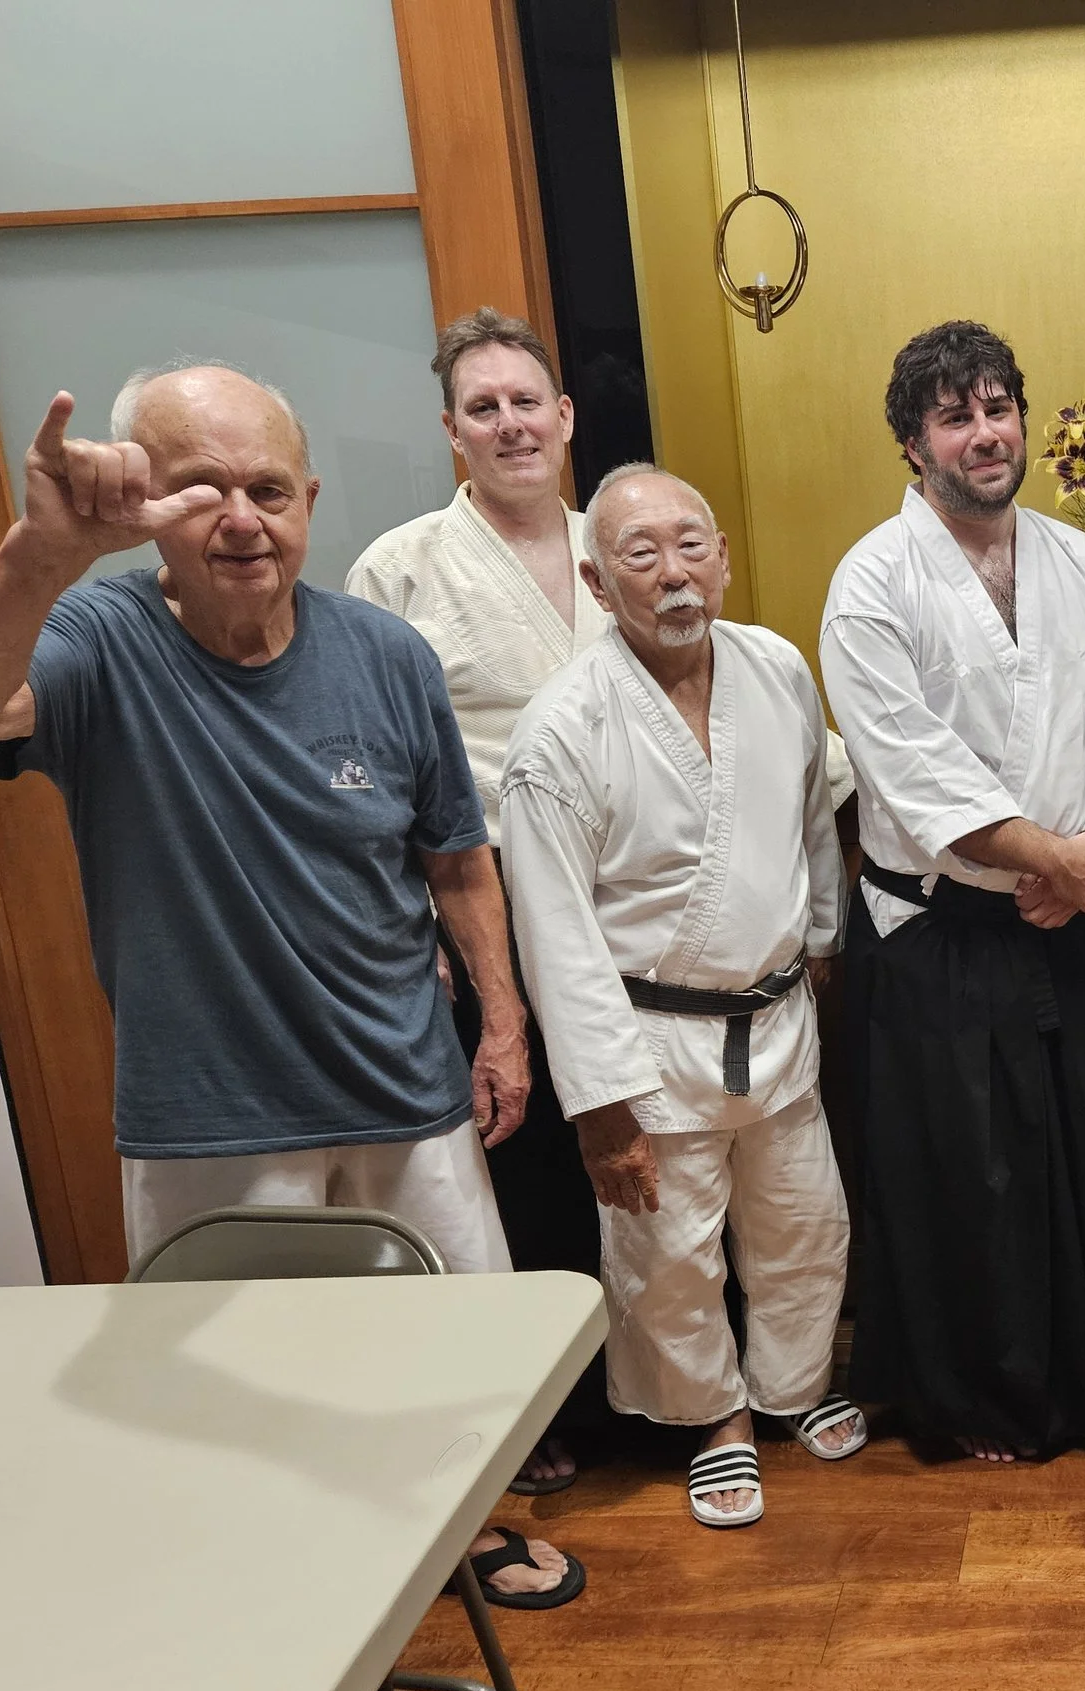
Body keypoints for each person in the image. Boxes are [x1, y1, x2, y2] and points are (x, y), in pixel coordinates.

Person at [0, 365, 582, 1608]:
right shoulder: (100, 641)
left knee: (458, 1363)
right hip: (210, 1109)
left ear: (309, 500)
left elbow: (456, 861)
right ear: (146, 501)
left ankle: (463, 1540)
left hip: (404, 1086)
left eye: (268, 488)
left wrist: (501, 1023)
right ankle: (282, 1588)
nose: (240, 518)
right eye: (199, 487)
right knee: (226, 1395)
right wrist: (42, 554)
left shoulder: (384, 653)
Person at [821, 320, 1085, 1462]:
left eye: (998, 406)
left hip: (1060, 914)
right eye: (955, 416)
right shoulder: (873, 578)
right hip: (939, 930)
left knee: (1067, 1158)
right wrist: (1049, 860)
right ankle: (968, 1402)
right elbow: (906, 762)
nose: (985, 433)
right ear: (912, 443)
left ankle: (1079, 1387)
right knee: (965, 1173)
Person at [500, 463, 861, 1529]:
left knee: (804, 1221)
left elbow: (807, 820)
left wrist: (826, 937)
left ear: (724, 556)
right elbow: (554, 933)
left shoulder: (777, 668)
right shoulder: (563, 727)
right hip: (650, 1037)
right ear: (597, 585)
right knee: (669, 1249)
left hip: (777, 1014)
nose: (673, 574)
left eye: (690, 544)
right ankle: (712, 1417)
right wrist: (601, 1105)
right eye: (640, 555)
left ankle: (793, 1386)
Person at [348, 306, 609, 1497]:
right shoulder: (398, 568)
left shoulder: (630, 533)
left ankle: (655, 1382)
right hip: (484, 887)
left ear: (565, 418)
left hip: (630, 888)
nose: (509, 423)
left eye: (525, 401)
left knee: (641, 1135)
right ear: (452, 432)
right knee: (525, 1148)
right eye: (482, 407)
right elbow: (383, 773)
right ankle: (538, 1407)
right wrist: (433, 932)